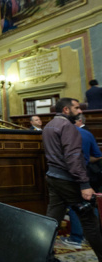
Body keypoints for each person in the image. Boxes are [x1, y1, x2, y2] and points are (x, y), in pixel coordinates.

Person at [42, 97, 102, 260]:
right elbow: (73, 157)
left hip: (53, 177)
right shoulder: (67, 127)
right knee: (89, 221)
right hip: (67, 179)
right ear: (66, 110)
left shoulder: (49, 125)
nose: (80, 111)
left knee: (51, 220)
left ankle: (41, 255)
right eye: (76, 108)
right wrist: (84, 184)